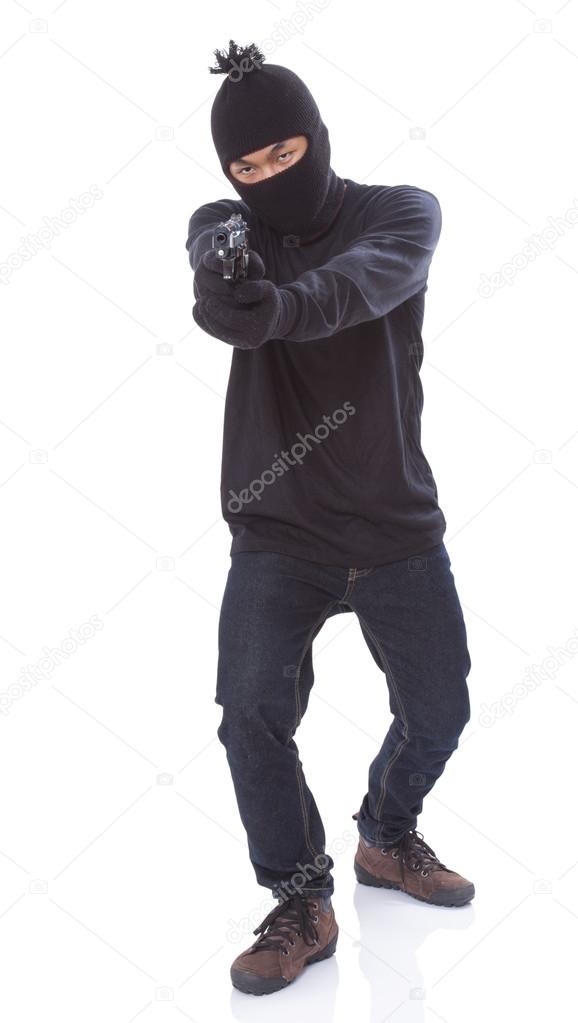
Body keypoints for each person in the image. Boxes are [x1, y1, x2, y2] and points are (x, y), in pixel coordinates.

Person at [186, 40, 474, 997]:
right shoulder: (231, 228)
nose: (269, 176)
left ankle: (386, 836)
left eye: (284, 152)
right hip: (278, 527)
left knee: (440, 708)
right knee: (250, 719)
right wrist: (221, 278)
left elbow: (361, 286)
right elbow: (212, 258)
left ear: (316, 136)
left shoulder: (400, 214)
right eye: (247, 166)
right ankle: (301, 899)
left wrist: (280, 308)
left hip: (395, 522)